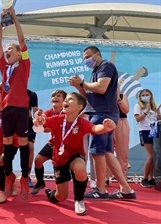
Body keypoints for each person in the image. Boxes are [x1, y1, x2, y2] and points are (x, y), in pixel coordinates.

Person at [69, 46, 136, 200]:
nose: (86, 59)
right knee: (106, 152)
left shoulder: (106, 66)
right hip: (100, 113)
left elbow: (101, 88)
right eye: (84, 57)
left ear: (97, 54)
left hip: (103, 114)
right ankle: (126, 190)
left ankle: (101, 189)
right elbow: (89, 95)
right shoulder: (95, 71)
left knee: (97, 152)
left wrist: (82, 83)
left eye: (88, 56)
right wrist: (78, 86)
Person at [33, 92, 117, 215]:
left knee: (80, 168)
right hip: (59, 159)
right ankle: (50, 194)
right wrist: (37, 120)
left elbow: (94, 129)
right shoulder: (56, 119)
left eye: (70, 99)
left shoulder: (82, 123)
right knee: (61, 196)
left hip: (75, 155)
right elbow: (40, 127)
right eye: (65, 99)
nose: (65, 101)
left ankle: (79, 200)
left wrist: (105, 128)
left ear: (79, 107)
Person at [0, 6, 31, 200]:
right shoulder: (4, 68)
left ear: (19, 53)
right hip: (6, 110)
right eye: (7, 49)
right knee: (7, 144)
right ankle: (9, 176)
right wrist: (1, 24)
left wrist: (14, 18)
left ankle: (25, 178)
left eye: (12, 49)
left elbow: (22, 40)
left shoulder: (24, 64)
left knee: (24, 143)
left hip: (20, 108)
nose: (8, 51)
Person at [31, 89, 66, 195]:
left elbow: (49, 128)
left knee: (61, 168)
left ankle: (63, 190)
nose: (55, 97)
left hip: (66, 145)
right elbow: (38, 124)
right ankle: (40, 183)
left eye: (59, 96)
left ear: (65, 101)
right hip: (53, 143)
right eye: (53, 96)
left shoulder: (68, 112)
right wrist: (37, 118)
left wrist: (47, 127)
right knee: (38, 160)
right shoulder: (48, 112)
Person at [134, 89, 161, 187]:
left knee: (155, 155)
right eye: (143, 95)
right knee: (151, 155)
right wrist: (146, 111)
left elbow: (157, 119)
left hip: (154, 130)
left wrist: (157, 111)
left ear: (151, 95)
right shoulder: (138, 106)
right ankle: (144, 178)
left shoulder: (153, 106)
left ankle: (151, 178)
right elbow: (137, 119)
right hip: (145, 131)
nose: (145, 96)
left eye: (147, 95)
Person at [27, 89, 39, 187]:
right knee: (7, 150)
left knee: (30, 148)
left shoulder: (32, 94)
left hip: (27, 124)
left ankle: (26, 175)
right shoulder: (9, 91)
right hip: (12, 123)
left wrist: (37, 116)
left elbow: (35, 111)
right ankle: (7, 176)